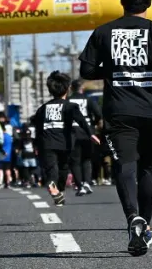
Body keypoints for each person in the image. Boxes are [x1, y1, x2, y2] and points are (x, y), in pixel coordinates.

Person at [77, 0, 152, 256]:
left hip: (119, 111)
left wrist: (110, 70)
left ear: (122, 1)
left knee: (125, 164)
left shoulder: (104, 32)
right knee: (147, 167)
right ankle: (144, 226)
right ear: (149, 1)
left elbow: (86, 71)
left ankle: (132, 217)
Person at [33, 71, 99, 207]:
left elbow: (38, 129)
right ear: (68, 88)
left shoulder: (42, 108)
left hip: (46, 142)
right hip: (64, 142)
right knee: (63, 168)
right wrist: (91, 133)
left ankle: (54, 187)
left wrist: (36, 145)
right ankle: (59, 190)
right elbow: (81, 120)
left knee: (52, 168)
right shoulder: (70, 106)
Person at [67, 79, 103, 196]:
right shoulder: (88, 100)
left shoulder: (67, 101)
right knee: (87, 159)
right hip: (88, 133)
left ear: (71, 88)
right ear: (82, 88)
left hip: (72, 132)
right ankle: (87, 182)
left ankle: (80, 185)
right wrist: (92, 123)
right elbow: (98, 114)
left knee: (75, 161)